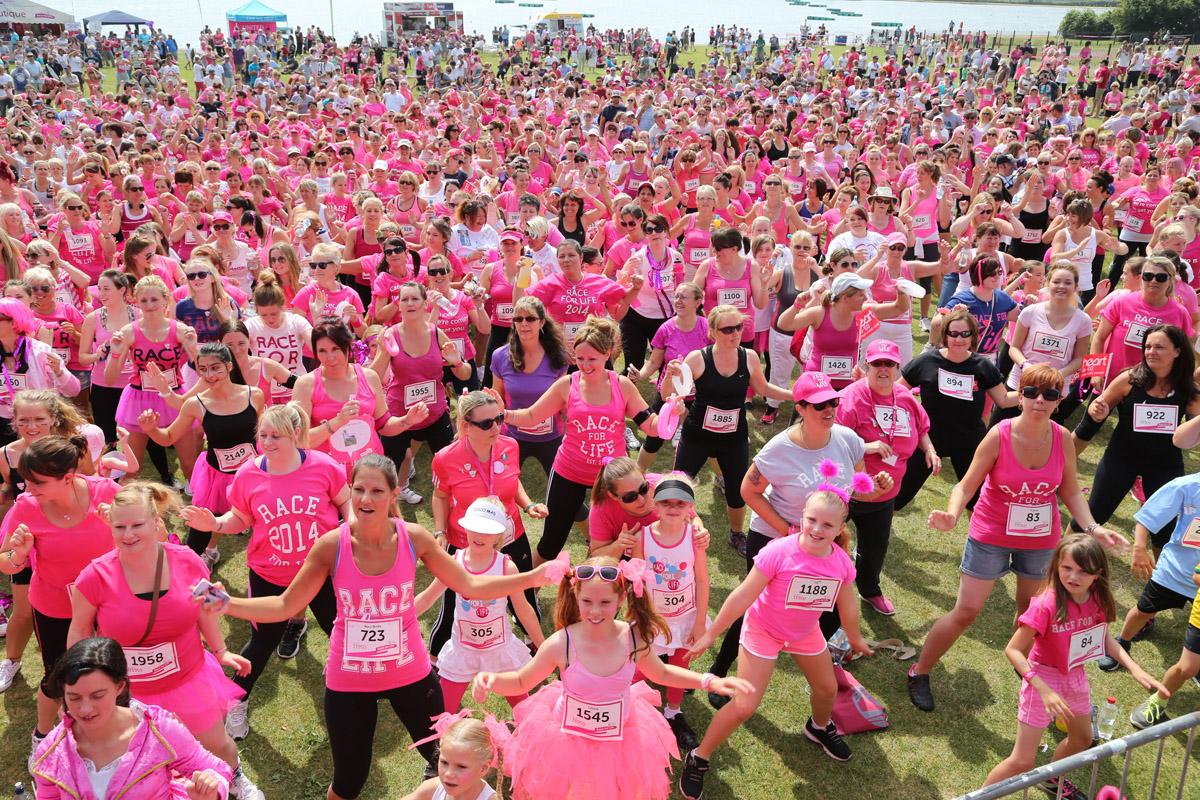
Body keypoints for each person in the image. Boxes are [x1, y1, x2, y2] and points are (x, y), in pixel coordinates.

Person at [203, 455, 555, 800]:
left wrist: (531, 577)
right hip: (349, 679)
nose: (366, 499)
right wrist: (228, 604)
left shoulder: (414, 538)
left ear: (394, 493)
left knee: (447, 761)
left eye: (376, 491)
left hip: (411, 674)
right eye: (358, 490)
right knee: (349, 781)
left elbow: (471, 585)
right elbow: (286, 605)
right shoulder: (331, 545)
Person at [911, 365, 1129, 713]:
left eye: (1049, 395)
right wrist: (952, 514)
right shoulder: (1000, 434)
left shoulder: (1062, 439)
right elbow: (966, 484)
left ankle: (1026, 671)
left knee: (1030, 613)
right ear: (1020, 395)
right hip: (991, 533)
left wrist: (1093, 528)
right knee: (966, 611)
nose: (1039, 401)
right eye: (1031, 393)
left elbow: (1070, 491)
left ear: (1059, 401)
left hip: (1041, 540)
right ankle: (919, 670)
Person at [470, 555, 751, 800]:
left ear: (621, 598)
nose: (595, 611)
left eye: (605, 602)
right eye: (587, 601)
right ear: (575, 596)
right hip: (567, 740)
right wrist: (491, 679)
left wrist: (707, 681)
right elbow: (521, 681)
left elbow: (662, 672)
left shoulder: (631, 638)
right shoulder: (561, 643)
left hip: (621, 739)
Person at [67, 482, 264, 800]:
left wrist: (222, 650)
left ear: (155, 522)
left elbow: (208, 606)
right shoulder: (93, 576)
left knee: (216, 744)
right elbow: (78, 632)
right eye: (120, 526)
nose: (128, 534)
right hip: (130, 694)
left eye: (137, 525)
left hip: (188, 677)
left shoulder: (186, 560)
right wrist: (78, 680)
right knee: (146, 761)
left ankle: (236, 779)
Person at [705, 372, 890, 705]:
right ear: (801, 408)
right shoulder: (779, 449)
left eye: (833, 401)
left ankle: (814, 655)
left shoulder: (847, 439)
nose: (830, 409)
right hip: (775, 539)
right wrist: (785, 529)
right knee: (755, 609)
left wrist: (873, 488)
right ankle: (721, 671)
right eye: (820, 405)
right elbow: (748, 489)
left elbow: (854, 489)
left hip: (823, 539)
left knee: (828, 606)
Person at [680, 487, 876, 799]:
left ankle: (819, 726)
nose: (817, 529)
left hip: (804, 633)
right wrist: (711, 634)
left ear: (841, 528)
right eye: (812, 520)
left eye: (827, 525)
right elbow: (743, 595)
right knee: (744, 706)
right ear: (802, 517)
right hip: (763, 631)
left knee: (826, 689)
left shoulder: (840, 563)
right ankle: (699, 757)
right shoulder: (779, 551)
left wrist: (855, 638)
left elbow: (847, 604)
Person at [181, 403, 350, 740]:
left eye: (277, 436)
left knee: (342, 632)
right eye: (264, 435)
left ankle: (352, 693)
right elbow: (241, 518)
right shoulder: (248, 475)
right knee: (262, 641)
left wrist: (354, 529)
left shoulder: (325, 467)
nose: (268, 442)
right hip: (270, 574)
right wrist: (214, 522)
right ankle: (237, 702)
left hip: (322, 573)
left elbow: (346, 504)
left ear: (296, 436)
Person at [981, 535, 1164, 797]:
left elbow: (1103, 637)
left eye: (1082, 571)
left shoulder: (1097, 599)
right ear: (1056, 566)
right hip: (1041, 680)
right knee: (1022, 761)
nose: (1073, 576)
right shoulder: (1046, 604)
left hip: (1075, 677)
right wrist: (1043, 689)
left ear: (1097, 575)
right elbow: (1012, 650)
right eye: (1066, 568)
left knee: (1082, 739)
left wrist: (1135, 669)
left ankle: (1051, 780)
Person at [499, 317, 680, 565]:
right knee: (550, 544)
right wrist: (503, 414)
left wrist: (671, 412)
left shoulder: (622, 385)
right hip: (569, 472)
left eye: (591, 359)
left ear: (608, 354)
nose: (584, 365)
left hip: (613, 481)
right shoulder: (567, 385)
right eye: (580, 358)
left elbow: (651, 426)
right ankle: (524, 593)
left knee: (622, 544)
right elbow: (531, 416)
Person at [0, 435, 120, 757]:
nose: (28, 489)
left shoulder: (105, 493)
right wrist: (19, 556)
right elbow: (4, 559)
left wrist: (121, 528)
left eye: (37, 482)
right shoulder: (26, 507)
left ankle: (113, 733)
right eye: (26, 481)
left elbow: (155, 532)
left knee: (114, 669)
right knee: (58, 676)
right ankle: (43, 736)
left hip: (110, 602)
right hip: (55, 606)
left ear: (68, 478)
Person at [31, 637, 233, 800]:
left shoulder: (160, 731)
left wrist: (211, 791)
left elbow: (218, 770)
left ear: (120, 687)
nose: (85, 709)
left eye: (97, 696)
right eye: (73, 698)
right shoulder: (50, 752)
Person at [428, 391, 547, 655]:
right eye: (486, 423)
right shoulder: (445, 458)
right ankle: (435, 658)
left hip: (509, 534)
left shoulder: (510, 446)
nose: (496, 427)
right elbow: (440, 495)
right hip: (466, 541)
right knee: (452, 603)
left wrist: (527, 505)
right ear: (466, 425)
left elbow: (511, 480)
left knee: (524, 594)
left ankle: (537, 646)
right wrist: (440, 531)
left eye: (499, 419)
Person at [672, 304, 793, 555]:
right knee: (678, 487)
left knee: (738, 491)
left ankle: (736, 534)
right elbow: (671, 394)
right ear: (713, 332)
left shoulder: (748, 357)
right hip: (697, 436)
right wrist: (670, 377)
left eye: (738, 327)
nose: (735, 333)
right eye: (727, 329)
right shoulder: (697, 358)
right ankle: (673, 531)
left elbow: (764, 389)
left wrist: (797, 395)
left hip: (734, 438)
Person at [1073, 324, 1200, 560]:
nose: (1151, 351)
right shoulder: (1128, 380)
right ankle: (1061, 566)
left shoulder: (1189, 391)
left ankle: (1162, 586)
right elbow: (1089, 426)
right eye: (1148, 346)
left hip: (1164, 465)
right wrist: (1094, 413)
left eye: (1159, 347)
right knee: (1091, 517)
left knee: (1165, 531)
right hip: (1120, 459)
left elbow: (1191, 438)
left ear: (1178, 351)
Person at [138, 343, 265, 566]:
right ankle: (188, 568)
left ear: (228, 366)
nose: (209, 374)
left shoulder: (254, 396)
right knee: (200, 531)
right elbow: (168, 437)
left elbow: (264, 433)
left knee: (263, 523)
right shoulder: (195, 405)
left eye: (215, 368)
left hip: (253, 475)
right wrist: (151, 430)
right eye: (203, 369)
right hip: (217, 477)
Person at [415, 496, 544, 711]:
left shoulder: (506, 567)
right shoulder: (454, 563)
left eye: (487, 530)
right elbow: (429, 596)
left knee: (523, 711)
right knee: (443, 712)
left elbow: (522, 609)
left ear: (499, 535)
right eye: (475, 528)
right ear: (465, 528)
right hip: (462, 650)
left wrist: (543, 646)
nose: (479, 535)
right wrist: (400, 617)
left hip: (499, 651)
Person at [835, 339, 935, 615]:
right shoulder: (851, 398)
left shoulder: (904, 398)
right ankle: (821, 589)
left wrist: (930, 449)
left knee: (875, 549)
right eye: (877, 363)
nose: (883, 369)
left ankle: (869, 589)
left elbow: (921, 427)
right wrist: (866, 446)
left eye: (889, 364)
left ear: (897, 368)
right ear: (866, 366)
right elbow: (835, 441)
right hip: (850, 491)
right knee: (829, 542)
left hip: (886, 493)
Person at [894, 309, 1014, 511]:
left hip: (969, 440)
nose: (959, 339)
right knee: (897, 496)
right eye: (954, 333)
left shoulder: (983, 366)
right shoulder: (926, 361)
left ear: (973, 336)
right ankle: (875, 536)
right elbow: (897, 392)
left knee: (977, 503)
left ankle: (977, 541)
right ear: (945, 335)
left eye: (965, 334)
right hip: (928, 439)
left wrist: (1033, 393)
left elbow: (1002, 399)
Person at [625, 476, 710, 752]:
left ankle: (673, 711)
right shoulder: (643, 538)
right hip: (653, 618)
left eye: (680, 503)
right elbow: (637, 581)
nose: (673, 507)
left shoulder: (695, 539)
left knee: (678, 666)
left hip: (685, 617)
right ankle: (631, 708)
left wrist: (699, 622)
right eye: (666, 502)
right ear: (655, 506)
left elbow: (702, 580)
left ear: (690, 508)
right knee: (642, 668)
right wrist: (642, 618)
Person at [371, 282, 471, 502]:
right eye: (404, 299)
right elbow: (371, 379)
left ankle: (458, 506)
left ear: (425, 304)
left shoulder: (437, 334)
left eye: (414, 298)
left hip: (434, 413)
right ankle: (387, 513)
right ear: (398, 305)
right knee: (387, 471)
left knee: (451, 465)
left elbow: (466, 373)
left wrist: (456, 363)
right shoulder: (390, 335)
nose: (409, 303)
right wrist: (383, 353)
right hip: (400, 416)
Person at [488, 295, 571, 479]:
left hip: (551, 436)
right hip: (512, 436)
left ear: (541, 322)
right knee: (499, 486)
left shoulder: (558, 357)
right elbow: (497, 398)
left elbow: (563, 402)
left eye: (530, 318)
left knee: (562, 491)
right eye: (518, 319)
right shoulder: (500, 356)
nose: (524, 323)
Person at [399, 716, 504, 800]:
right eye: (444, 762)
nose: (448, 773)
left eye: (461, 766)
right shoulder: (432, 789)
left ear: (483, 768)